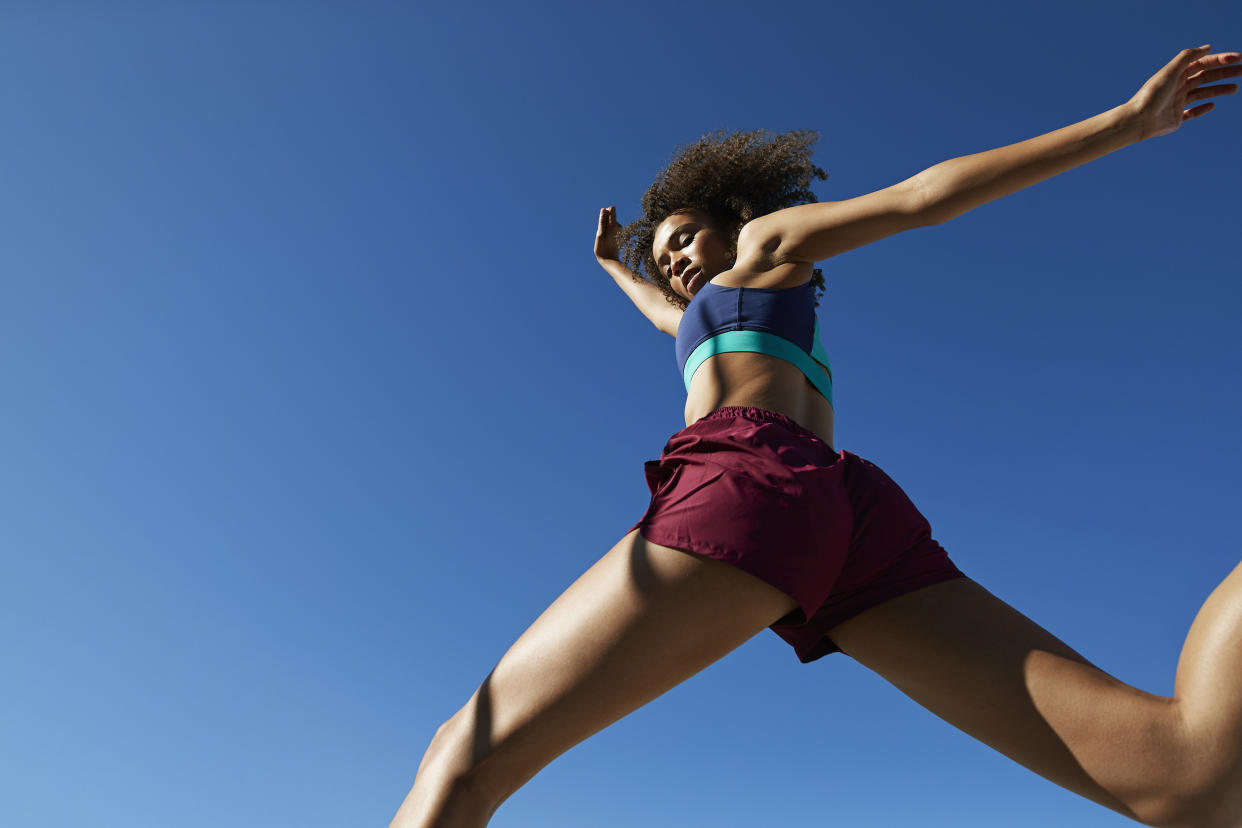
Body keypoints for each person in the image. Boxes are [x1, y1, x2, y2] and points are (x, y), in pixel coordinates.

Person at [392, 46, 1242, 828]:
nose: (677, 260)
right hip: (848, 521)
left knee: (462, 759)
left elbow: (921, 199)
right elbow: (664, 317)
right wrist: (616, 263)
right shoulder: (711, 319)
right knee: (1184, 776)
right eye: (666, 256)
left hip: (749, 481)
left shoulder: (767, 247)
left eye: (686, 236)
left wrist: (1126, 123)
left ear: (736, 216)